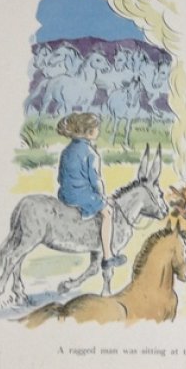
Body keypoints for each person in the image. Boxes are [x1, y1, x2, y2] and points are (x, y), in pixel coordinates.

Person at [56, 112, 124, 270]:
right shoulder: (91, 153)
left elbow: (60, 177)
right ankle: (108, 256)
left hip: (64, 194)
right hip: (81, 196)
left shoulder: (66, 151)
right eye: (97, 128)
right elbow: (96, 181)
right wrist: (103, 198)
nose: (99, 131)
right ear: (90, 132)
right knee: (107, 213)